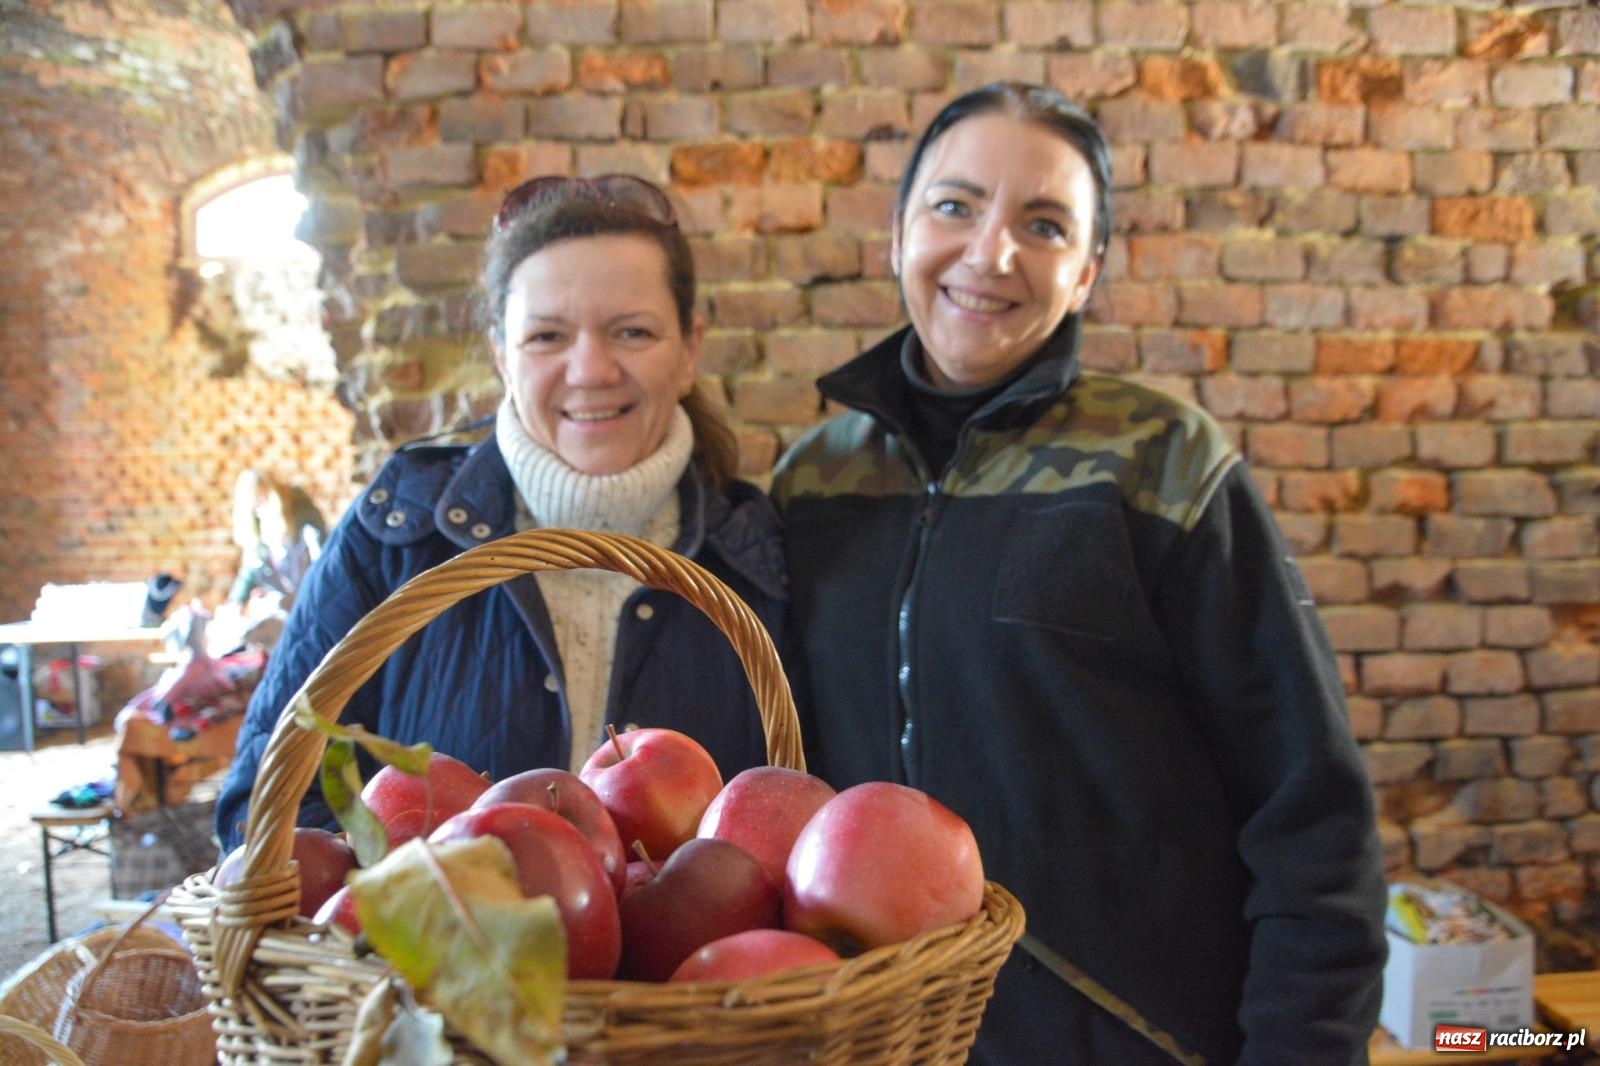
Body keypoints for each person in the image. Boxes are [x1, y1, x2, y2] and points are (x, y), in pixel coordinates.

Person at [771, 82, 1386, 1065]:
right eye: (955, 206)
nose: (990, 253)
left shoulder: (1163, 464)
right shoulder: (814, 482)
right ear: (897, 234)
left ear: (1087, 270)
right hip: (891, 1041)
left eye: (1044, 224)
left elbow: (1306, 811)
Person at [217, 174, 786, 852]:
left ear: (689, 350)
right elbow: (261, 808)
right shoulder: (394, 538)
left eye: (632, 332)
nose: (590, 370)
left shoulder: (756, 562)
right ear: (501, 356)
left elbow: (798, 822)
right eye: (547, 337)